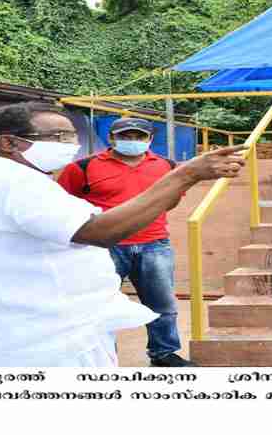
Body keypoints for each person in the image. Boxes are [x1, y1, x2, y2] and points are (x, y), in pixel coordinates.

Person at [0, 102, 245, 367]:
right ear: (8, 142)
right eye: (57, 137)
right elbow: (100, 231)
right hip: (47, 350)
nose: (70, 145)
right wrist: (185, 175)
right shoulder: (18, 184)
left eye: (72, 137)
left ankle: (165, 351)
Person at [58, 118, 190, 367]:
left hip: (155, 243)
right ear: (111, 138)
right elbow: (64, 202)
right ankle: (104, 356)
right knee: (97, 303)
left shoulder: (167, 167)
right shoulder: (82, 168)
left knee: (162, 303)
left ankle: (164, 353)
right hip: (102, 246)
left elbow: (173, 198)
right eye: (125, 136)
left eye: (139, 137)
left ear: (150, 140)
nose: (132, 141)